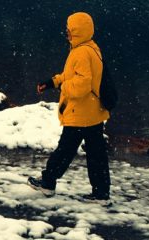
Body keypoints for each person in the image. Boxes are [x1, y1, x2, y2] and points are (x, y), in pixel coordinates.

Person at [28, 11, 111, 203]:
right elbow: (72, 74)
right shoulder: (90, 47)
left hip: (80, 112)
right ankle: (101, 193)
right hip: (93, 111)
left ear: (78, 31)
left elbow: (82, 83)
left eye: (69, 30)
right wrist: (53, 82)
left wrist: (64, 87)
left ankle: (48, 183)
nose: (66, 33)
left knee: (65, 150)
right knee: (96, 154)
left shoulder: (80, 52)